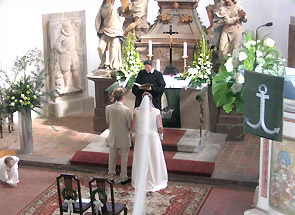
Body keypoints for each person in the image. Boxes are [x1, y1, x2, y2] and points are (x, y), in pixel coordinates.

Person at [131, 92, 168, 214]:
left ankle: (141, 179)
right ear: (151, 100)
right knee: (154, 159)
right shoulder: (156, 111)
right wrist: (161, 136)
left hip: (141, 137)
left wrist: (134, 137)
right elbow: (160, 127)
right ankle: (156, 179)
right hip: (152, 137)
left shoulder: (136, 111)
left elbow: (133, 128)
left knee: (141, 158)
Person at [105, 88, 132, 184]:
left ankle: (111, 176)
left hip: (113, 135)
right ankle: (123, 177)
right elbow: (129, 125)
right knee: (124, 158)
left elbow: (108, 121)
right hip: (124, 136)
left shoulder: (108, 108)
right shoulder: (126, 110)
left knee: (112, 157)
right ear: (122, 97)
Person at [54, 21, 83, 94]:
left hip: (73, 54)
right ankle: (67, 86)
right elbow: (56, 44)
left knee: (75, 70)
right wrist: (61, 50)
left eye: (69, 27)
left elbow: (78, 42)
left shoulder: (74, 34)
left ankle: (77, 85)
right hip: (65, 55)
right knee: (66, 71)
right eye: (66, 27)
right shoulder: (62, 36)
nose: (68, 28)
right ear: (63, 28)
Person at [95, 0, 124, 70]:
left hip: (116, 31)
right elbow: (98, 18)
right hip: (105, 30)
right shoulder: (102, 7)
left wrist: (122, 10)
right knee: (100, 48)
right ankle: (103, 63)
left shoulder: (115, 5)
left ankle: (111, 66)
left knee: (113, 47)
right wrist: (99, 29)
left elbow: (124, 10)